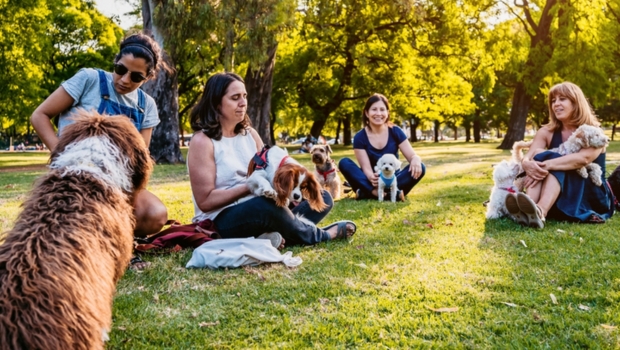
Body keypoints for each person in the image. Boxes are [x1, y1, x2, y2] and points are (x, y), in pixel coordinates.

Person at [187, 72, 356, 247]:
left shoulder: (250, 134)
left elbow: (270, 170)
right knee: (266, 206)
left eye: (244, 96)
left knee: (322, 197)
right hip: (222, 219)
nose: (243, 102)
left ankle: (268, 237)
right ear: (216, 103)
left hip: (262, 205)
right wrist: (250, 186)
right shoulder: (202, 141)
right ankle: (321, 235)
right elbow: (205, 201)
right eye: (235, 97)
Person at [30, 33, 169, 243]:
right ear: (115, 61)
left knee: (155, 215)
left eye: (136, 77)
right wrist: (62, 156)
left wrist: (123, 194)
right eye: (120, 69)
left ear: (148, 77)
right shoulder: (89, 79)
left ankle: (108, 236)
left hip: (116, 181)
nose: (124, 80)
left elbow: (139, 157)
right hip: (76, 173)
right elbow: (39, 116)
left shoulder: (146, 104)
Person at [505, 82, 614, 228]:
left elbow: (582, 159)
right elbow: (529, 156)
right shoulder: (546, 132)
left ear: (576, 103)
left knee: (553, 159)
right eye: (553, 100)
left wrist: (547, 164)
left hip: (589, 194)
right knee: (539, 156)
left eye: (562, 99)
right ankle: (528, 207)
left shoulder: (593, 133)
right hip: (558, 192)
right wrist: (527, 164)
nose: (556, 104)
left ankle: (540, 211)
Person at [338, 93, 425, 201]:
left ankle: (367, 193)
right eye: (374, 109)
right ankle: (377, 193)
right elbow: (366, 168)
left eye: (382, 110)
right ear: (367, 113)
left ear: (387, 113)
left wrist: (416, 158)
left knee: (421, 167)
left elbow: (411, 156)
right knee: (344, 162)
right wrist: (371, 177)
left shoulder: (396, 131)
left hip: (393, 179)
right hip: (370, 180)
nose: (378, 113)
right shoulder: (359, 137)